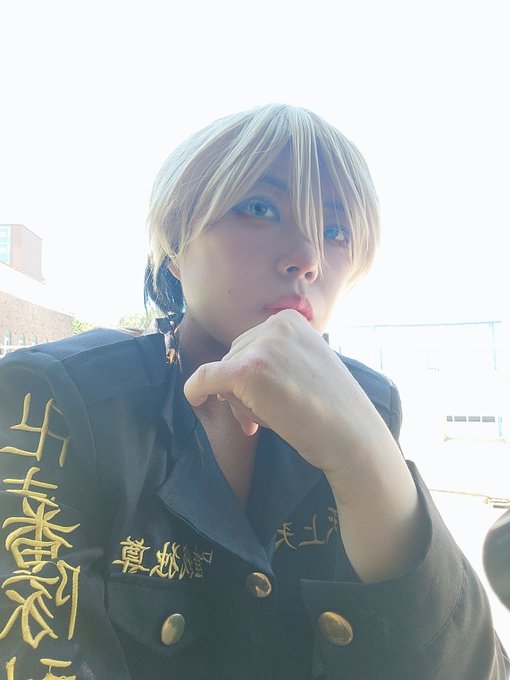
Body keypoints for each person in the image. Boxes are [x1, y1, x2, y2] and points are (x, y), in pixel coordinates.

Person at [0, 104, 507, 680]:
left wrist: (364, 458)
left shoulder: (368, 404)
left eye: (336, 231)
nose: (309, 259)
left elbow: (472, 667)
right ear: (176, 241)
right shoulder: (58, 399)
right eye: (261, 208)